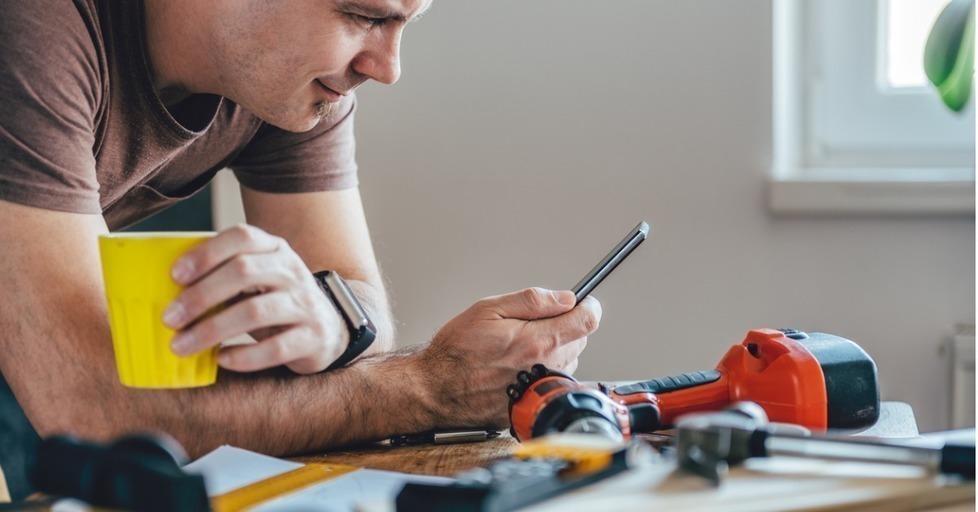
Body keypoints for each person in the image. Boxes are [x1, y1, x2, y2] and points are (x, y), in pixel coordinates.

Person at [0, 0, 601, 500]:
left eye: (404, 24)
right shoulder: (29, 31)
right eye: (364, 16)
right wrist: (431, 387)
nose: (387, 67)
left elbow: (360, 304)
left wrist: (330, 316)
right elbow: (95, 411)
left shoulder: (288, 84)